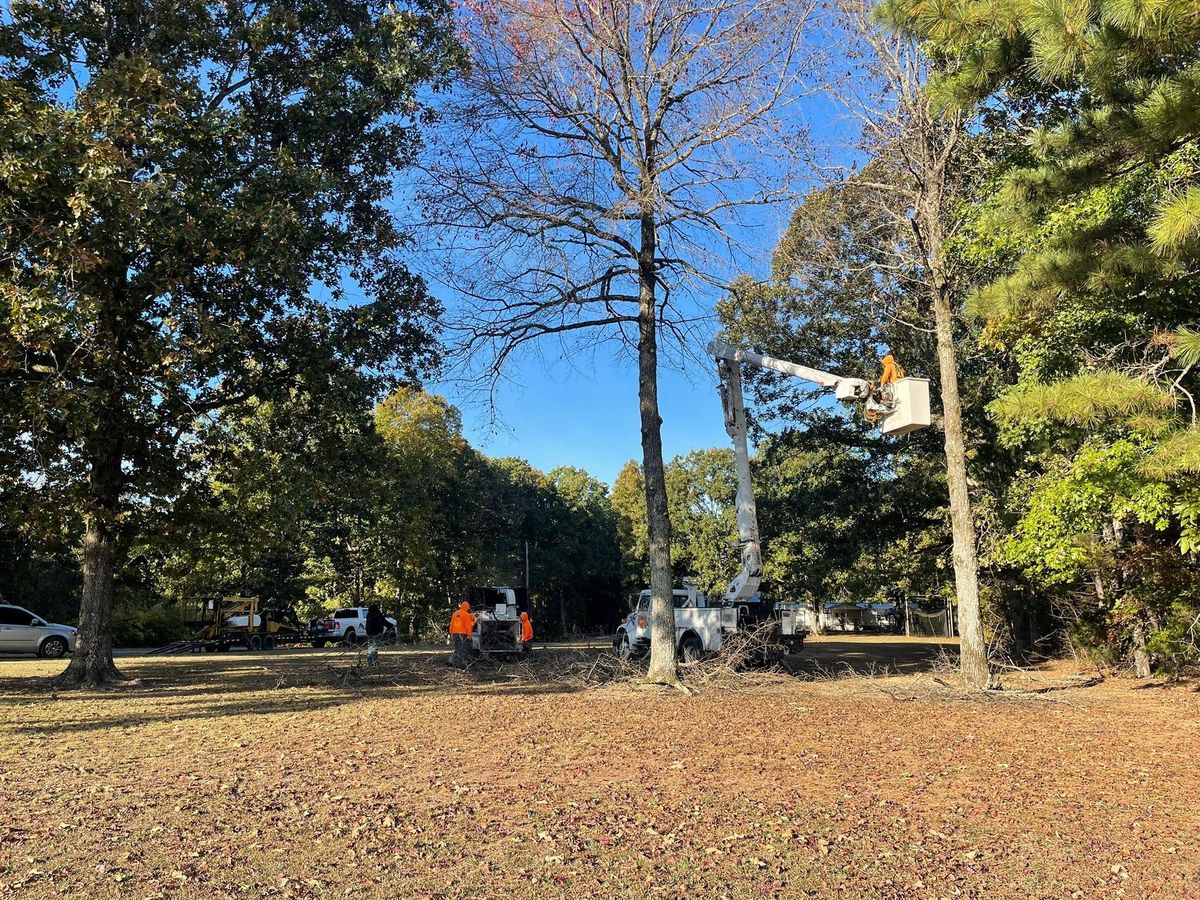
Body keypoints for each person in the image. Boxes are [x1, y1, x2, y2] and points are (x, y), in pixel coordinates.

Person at [448, 601, 475, 667]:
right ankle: (459, 664)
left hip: (455, 633)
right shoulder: (466, 615)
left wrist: (451, 633)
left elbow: (451, 624)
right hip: (462, 634)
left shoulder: (455, 613)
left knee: (457, 648)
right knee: (461, 649)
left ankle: (451, 661)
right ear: (467, 608)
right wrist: (469, 635)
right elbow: (468, 626)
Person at [365, 603, 388, 668]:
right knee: (374, 648)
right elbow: (384, 621)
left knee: (370, 648)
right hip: (376, 633)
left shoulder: (369, 614)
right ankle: (375, 662)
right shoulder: (378, 614)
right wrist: (390, 625)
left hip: (369, 633)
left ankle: (370, 663)